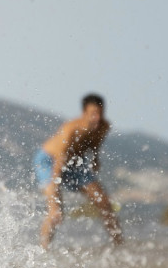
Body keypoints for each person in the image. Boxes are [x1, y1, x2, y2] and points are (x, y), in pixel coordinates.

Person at [36, 93, 123, 247]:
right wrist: (54, 190)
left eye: (100, 113)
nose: (97, 118)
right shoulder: (71, 129)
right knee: (56, 211)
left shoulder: (104, 126)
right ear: (84, 113)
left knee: (104, 203)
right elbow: (59, 160)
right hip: (49, 161)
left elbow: (95, 144)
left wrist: (95, 158)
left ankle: (119, 247)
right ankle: (43, 250)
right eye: (93, 114)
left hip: (75, 163)